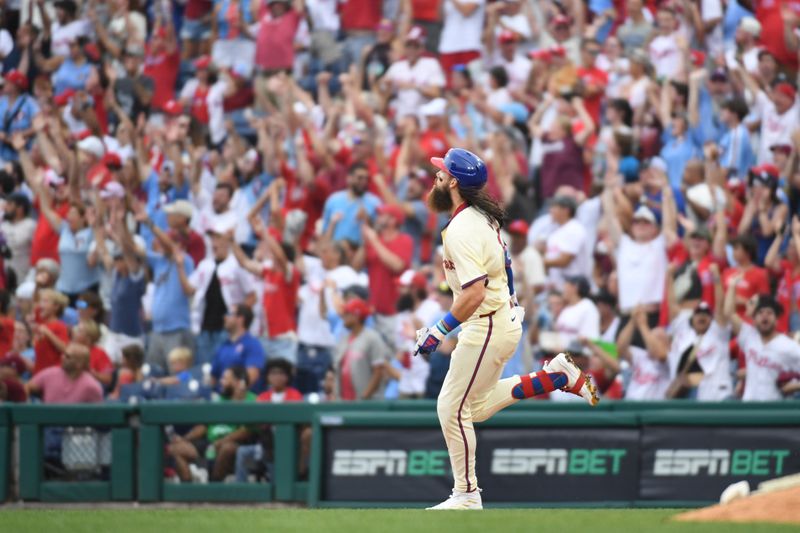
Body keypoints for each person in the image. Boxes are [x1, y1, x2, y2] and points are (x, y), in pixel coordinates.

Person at [417, 148, 597, 510]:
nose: (435, 176)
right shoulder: (479, 216)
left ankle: (466, 494)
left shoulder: (463, 227)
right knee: (475, 408)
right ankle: (553, 377)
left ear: (454, 182)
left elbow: (474, 293)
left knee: (450, 409)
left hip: (487, 322)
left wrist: (439, 329)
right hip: (499, 318)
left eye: (441, 172)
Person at [723, 285, 800, 401]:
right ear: (754, 319)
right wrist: (733, 285)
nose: (765, 316)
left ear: (776, 319)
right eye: (760, 313)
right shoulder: (749, 336)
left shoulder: (789, 347)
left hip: (773, 410)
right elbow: (728, 313)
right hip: (749, 407)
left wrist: (794, 386)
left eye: (769, 313)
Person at [334, 297, 390, 400]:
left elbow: (378, 371)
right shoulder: (344, 339)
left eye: (347, 313)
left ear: (356, 316)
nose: (343, 317)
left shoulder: (372, 338)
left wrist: (364, 397)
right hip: (344, 401)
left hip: (367, 404)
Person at [210, 304, 265, 388]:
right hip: (221, 398)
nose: (225, 317)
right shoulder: (223, 346)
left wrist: (231, 392)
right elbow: (213, 377)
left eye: (229, 314)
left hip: (242, 399)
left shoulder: (253, 345)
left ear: (240, 319)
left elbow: (251, 376)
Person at [26, 343, 103, 403]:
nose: (62, 357)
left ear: (79, 364)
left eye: (67, 356)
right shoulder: (50, 374)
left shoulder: (91, 386)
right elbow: (26, 388)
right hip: (48, 421)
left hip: (76, 423)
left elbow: (98, 415)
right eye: (63, 354)